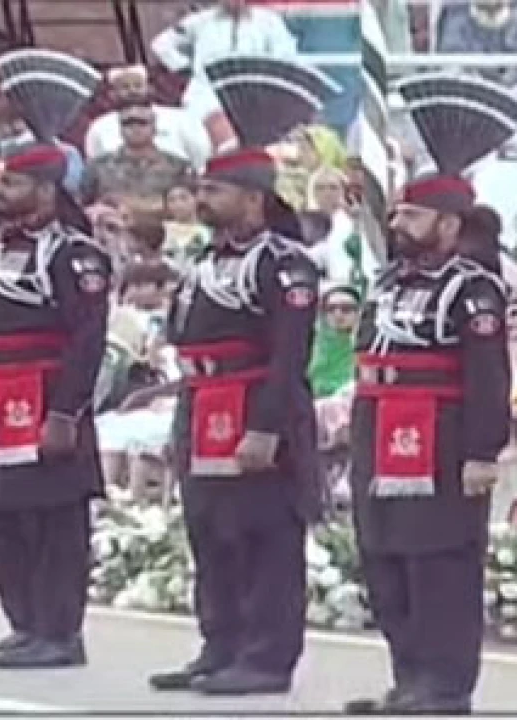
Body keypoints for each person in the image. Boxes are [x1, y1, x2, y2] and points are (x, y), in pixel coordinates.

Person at [148, 55, 331, 697]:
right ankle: (218, 643)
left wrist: (265, 428)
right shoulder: (203, 260)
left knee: (263, 534)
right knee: (211, 529)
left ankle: (266, 656)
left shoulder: (284, 263)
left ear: (253, 199)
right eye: (202, 191)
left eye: (214, 192)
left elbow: (289, 354)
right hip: (202, 404)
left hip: (256, 404)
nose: (203, 201)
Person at [341, 73, 517, 716]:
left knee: (439, 562)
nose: (397, 222)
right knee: (386, 558)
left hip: (442, 437)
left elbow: (488, 375)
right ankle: (407, 679)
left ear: (448, 222)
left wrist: (482, 450)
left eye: (411, 214)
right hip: (378, 431)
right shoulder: (391, 281)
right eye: (396, 212)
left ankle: (445, 688)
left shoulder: (473, 288)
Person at [0, 49, 108, 670]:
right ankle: (23, 622)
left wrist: (66, 411)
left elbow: (88, 338)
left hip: (42, 395)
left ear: (44, 190)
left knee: (51, 518)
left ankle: (59, 630)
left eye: (11, 182)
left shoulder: (73, 254)